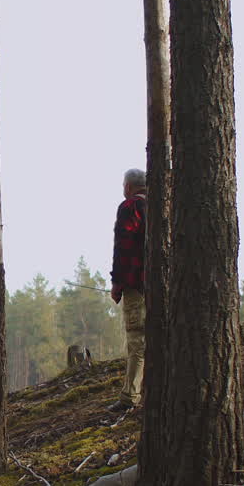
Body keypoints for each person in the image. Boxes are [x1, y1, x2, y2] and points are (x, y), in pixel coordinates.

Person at [108, 168, 147, 413]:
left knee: (137, 340)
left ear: (129, 187)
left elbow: (123, 248)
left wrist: (117, 283)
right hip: (165, 284)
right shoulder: (166, 203)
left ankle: (130, 397)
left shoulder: (130, 207)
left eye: (123, 184)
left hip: (136, 283)